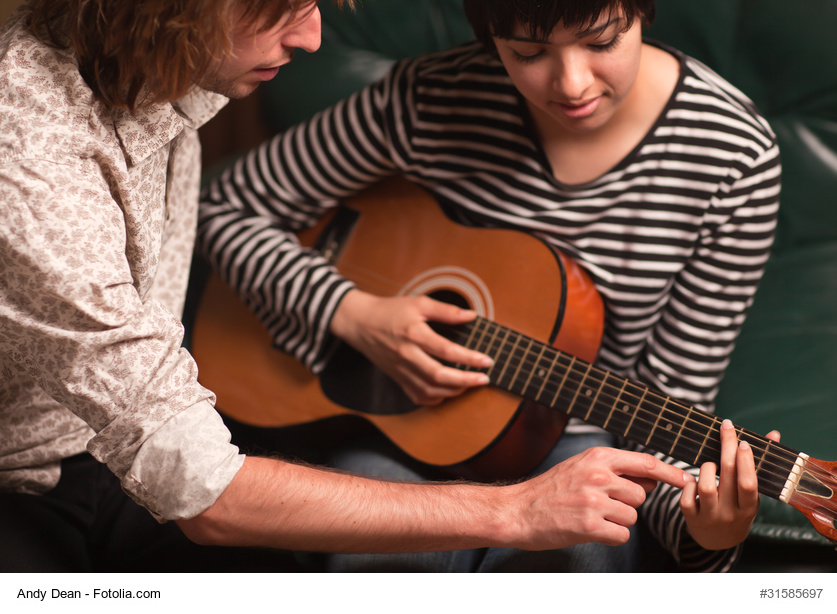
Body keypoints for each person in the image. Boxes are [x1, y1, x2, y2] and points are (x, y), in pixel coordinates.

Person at [0, 0, 699, 573]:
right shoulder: (30, 159)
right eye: (280, 10)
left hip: (118, 461)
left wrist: (700, 532)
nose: (313, 36)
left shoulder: (168, 80)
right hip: (30, 485)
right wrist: (514, 509)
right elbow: (205, 492)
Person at [198, 0, 783, 572]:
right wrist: (350, 313)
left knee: (566, 572)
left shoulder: (735, 155)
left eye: (602, 42)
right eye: (528, 52)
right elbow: (225, 207)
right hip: (400, 428)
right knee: (382, 570)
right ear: (490, 36)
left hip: (585, 438)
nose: (572, 84)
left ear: (641, 12)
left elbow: (670, 411)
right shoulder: (428, 97)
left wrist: (704, 533)